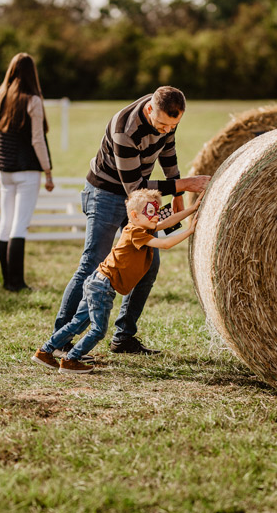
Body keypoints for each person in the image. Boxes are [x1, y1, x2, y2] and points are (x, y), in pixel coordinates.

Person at [48, 86, 211, 357]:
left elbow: (168, 153)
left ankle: (124, 337)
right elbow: (134, 186)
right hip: (106, 193)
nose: (166, 130)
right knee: (93, 262)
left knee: (148, 264)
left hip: (139, 200)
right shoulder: (125, 129)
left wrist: (178, 193)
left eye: (173, 125)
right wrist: (184, 184)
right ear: (149, 109)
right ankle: (61, 339)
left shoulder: (168, 119)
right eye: (161, 124)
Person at [32, 188, 204, 373]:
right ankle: (71, 360)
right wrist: (190, 230)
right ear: (134, 215)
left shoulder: (140, 226)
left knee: (78, 323)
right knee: (98, 330)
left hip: (97, 281)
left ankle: (45, 351)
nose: (155, 217)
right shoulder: (136, 233)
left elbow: (166, 222)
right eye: (151, 212)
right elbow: (165, 244)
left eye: (156, 211)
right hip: (102, 285)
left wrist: (193, 208)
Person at [0, 52, 54, 292]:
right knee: (20, 224)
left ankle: (8, 280)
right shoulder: (33, 99)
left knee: (5, 223)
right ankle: (17, 282)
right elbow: (37, 139)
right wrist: (47, 171)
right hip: (27, 169)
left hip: (4, 169)